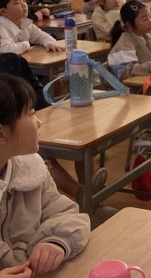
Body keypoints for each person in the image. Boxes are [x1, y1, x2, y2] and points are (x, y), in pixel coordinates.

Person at [0, 73, 90, 275]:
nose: (38, 122)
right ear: (1, 133)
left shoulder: (30, 169)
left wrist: (55, 241)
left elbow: (65, 213)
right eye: (31, 114)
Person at [108, 0, 151, 80]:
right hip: (133, 86)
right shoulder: (125, 43)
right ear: (129, 25)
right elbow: (127, 72)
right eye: (145, 19)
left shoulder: (147, 36)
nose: (150, 22)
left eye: (150, 17)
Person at [0, 0, 64, 54]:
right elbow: (7, 50)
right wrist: (26, 44)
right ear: (3, 11)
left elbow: (41, 36)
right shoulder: (1, 27)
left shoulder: (24, 22)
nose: (24, 5)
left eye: (24, 0)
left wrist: (49, 43)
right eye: (17, 3)